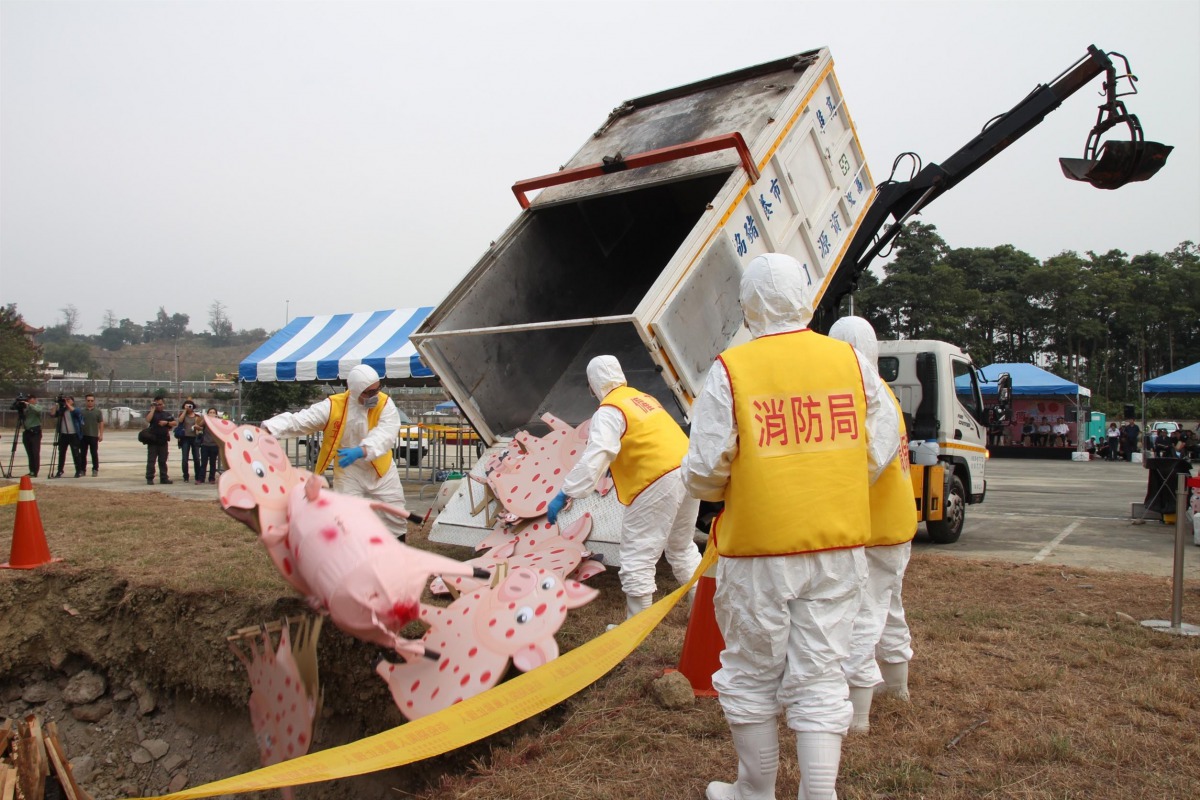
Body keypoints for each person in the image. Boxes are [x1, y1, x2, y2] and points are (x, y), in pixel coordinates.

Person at [680, 253, 901, 800]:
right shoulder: (851, 364)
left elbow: (704, 471)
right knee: (822, 672)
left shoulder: (732, 370)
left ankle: (754, 789)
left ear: (749, 306)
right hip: (838, 545)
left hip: (758, 549)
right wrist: (832, 480)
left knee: (751, 670)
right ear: (804, 297)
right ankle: (818, 793)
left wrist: (740, 485)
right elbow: (879, 447)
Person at [545, 355, 703, 624]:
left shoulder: (609, 410)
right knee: (681, 546)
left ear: (594, 384)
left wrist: (566, 492)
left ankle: (635, 632)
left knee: (637, 557)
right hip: (688, 472)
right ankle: (703, 612)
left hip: (655, 480)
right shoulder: (643, 399)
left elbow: (599, 452)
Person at [828, 316, 919, 734]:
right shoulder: (882, 389)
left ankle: (858, 714)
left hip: (874, 528)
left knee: (862, 614)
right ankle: (897, 688)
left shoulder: (864, 395)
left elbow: (867, 464)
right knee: (888, 605)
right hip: (894, 522)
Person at [262, 364, 410, 539]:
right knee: (348, 517)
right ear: (355, 391)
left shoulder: (385, 404)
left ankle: (398, 550)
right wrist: (269, 429)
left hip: (381, 469)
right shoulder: (333, 406)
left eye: (377, 389)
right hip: (349, 470)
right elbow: (301, 420)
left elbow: (386, 433)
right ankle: (353, 552)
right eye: (369, 392)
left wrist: (363, 450)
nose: (375, 395)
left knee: (395, 513)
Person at [50, 395, 85, 478]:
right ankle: (60, 470)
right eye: (66, 400)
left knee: (76, 453)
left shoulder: (75, 409)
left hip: (73, 434)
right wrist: (56, 404)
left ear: (72, 401)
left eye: (69, 400)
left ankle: (78, 470)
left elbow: (76, 412)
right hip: (63, 434)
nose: (67, 401)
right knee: (61, 453)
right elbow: (52, 414)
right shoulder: (62, 410)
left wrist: (67, 404)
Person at [144, 396, 176, 484]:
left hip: (163, 440)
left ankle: (164, 478)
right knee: (151, 461)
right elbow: (147, 420)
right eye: (157, 404)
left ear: (163, 404)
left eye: (160, 404)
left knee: (163, 460)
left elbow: (174, 423)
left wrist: (167, 423)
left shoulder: (166, 414)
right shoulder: (152, 413)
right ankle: (150, 478)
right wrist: (152, 409)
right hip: (153, 440)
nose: (159, 406)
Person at [176, 399, 203, 482]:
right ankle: (185, 476)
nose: (189, 407)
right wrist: (185, 411)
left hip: (195, 438)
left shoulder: (197, 416)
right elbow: (180, 420)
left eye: (190, 406)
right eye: (187, 405)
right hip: (185, 438)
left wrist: (198, 428)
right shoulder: (183, 415)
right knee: (185, 458)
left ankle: (197, 476)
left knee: (196, 458)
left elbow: (201, 426)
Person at [18, 391, 44, 477]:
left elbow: (38, 410)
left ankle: (35, 471)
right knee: (29, 453)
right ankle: (31, 470)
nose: (28, 400)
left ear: (35, 399)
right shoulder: (25, 408)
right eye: (27, 399)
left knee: (35, 452)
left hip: (35, 432)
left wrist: (29, 405)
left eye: (30, 399)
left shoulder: (37, 406)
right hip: (27, 431)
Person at [79, 393, 105, 476]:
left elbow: (101, 423)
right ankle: (82, 470)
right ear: (85, 401)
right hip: (83, 436)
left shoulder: (98, 412)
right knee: (83, 454)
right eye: (88, 400)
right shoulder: (81, 412)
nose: (90, 402)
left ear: (94, 401)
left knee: (94, 453)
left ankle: (95, 469)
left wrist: (101, 434)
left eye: (91, 400)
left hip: (93, 435)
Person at [198, 407, 221, 484]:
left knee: (213, 463)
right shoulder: (206, 421)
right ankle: (201, 478)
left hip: (214, 445)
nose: (212, 414)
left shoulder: (217, 422)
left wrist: (217, 419)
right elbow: (200, 424)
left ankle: (211, 478)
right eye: (210, 412)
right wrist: (206, 418)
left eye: (213, 412)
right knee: (203, 463)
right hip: (205, 444)